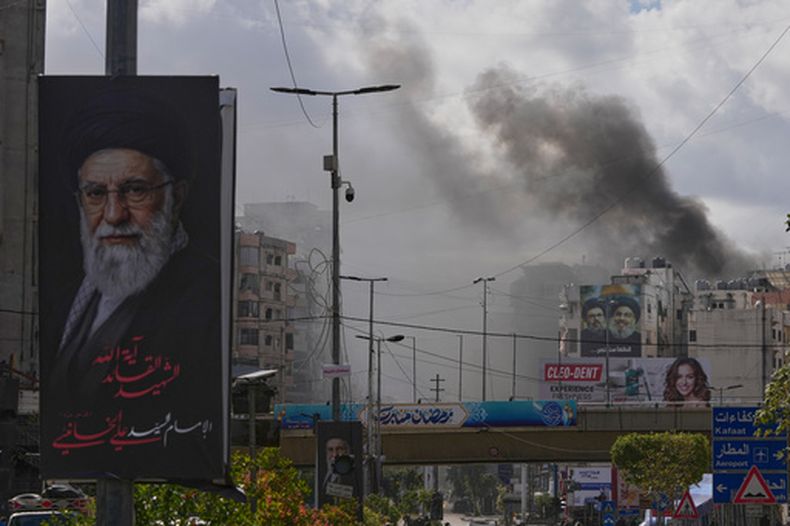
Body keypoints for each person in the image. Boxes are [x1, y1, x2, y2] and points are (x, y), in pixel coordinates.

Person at [39, 81, 222, 480]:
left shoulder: (207, 300)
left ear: (178, 196)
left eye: (135, 190)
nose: (114, 213)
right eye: (94, 194)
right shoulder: (68, 299)